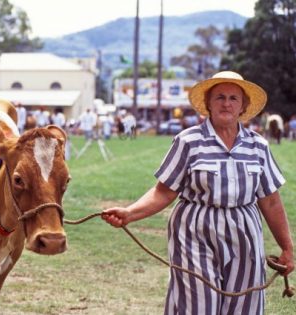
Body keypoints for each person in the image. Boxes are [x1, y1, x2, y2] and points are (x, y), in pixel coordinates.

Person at [102, 71, 294, 314]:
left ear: (243, 106)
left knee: (244, 305)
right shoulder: (188, 141)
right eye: (220, 97)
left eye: (234, 98)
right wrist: (129, 213)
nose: (227, 103)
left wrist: (287, 248)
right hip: (194, 232)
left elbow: (271, 201)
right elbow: (163, 192)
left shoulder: (258, 146)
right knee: (196, 305)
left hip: (245, 233)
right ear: (208, 104)